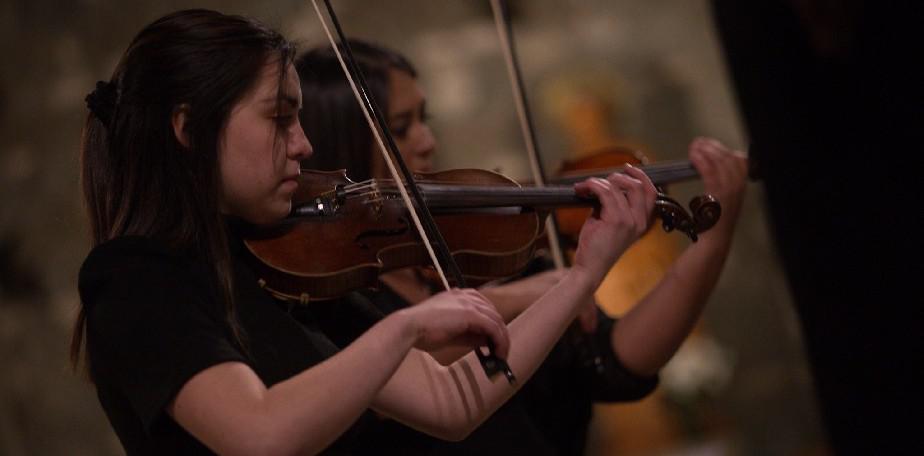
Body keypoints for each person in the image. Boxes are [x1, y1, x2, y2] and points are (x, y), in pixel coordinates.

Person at [70, 9, 658, 455]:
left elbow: (453, 404)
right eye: (280, 118)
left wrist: (583, 277)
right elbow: (259, 434)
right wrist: (405, 327)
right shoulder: (136, 277)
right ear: (189, 129)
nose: (304, 144)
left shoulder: (280, 262)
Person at [296, 40, 749, 454]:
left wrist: (714, 239)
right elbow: (384, 386)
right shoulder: (324, 298)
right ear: (342, 144)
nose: (428, 141)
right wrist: (517, 299)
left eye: (423, 120)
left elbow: (615, 361)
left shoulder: (482, 251)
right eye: (401, 127)